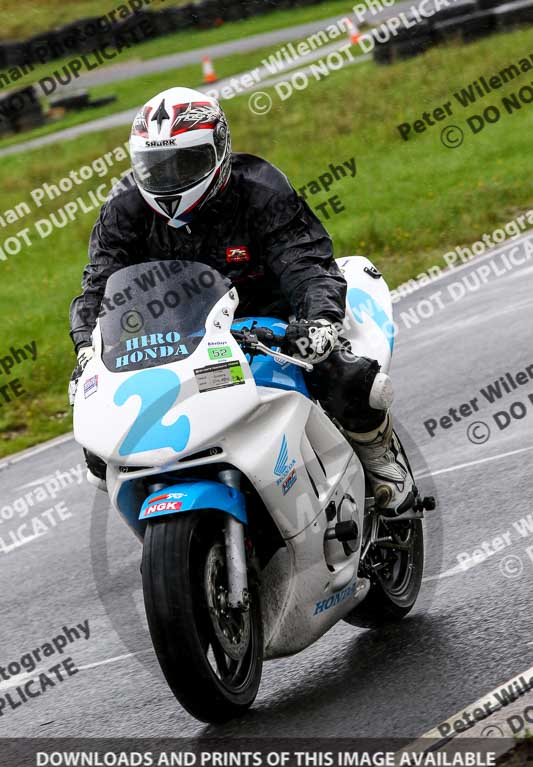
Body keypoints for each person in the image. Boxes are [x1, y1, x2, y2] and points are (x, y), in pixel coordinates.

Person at [69, 86, 414, 515]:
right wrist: (88, 346)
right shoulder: (125, 209)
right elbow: (99, 286)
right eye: (156, 165)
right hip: (178, 337)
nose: (169, 178)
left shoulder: (259, 189)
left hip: (272, 323)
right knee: (100, 452)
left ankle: (379, 462)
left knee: (349, 377)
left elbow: (305, 261)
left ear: (219, 150)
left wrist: (319, 321)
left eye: (184, 162)